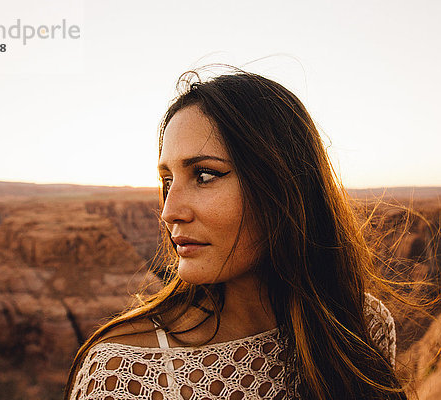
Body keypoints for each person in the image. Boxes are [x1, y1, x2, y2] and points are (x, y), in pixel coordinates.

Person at [65, 67, 407, 400]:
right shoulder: (125, 374)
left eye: (204, 175)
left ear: (282, 185)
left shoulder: (360, 327)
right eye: (167, 181)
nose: (169, 211)